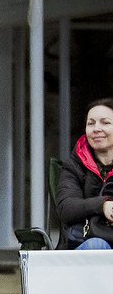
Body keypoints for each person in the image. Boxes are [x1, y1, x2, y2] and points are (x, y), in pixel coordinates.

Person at [55, 98, 113, 250]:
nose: (96, 129)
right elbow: (66, 208)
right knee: (97, 245)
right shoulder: (74, 165)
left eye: (105, 123)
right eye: (91, 123)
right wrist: (102, 205)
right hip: (84, 243)